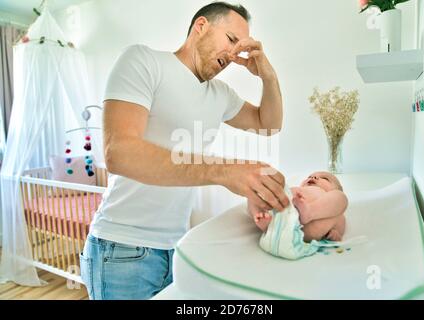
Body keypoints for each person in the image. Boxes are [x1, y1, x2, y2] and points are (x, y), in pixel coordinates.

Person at [80, 2, 289, 300]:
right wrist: (224, 170)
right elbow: (119, 153)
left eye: (239, 47)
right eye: (231, 40)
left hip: (176, 249)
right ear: (201, 26)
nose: (233, 55)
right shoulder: (144, 61)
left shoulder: (221, 95)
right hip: (122, 249)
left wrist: (268, 75)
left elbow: (269, 124)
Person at [248, 171, 347, 242]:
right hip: (282, 218)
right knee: (254, 193)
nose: (313, 178)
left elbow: (340, 220)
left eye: (325, 178)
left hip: (308, 228)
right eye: (310, 176)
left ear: (336, 188)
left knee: (341, 198)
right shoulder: (298, 190)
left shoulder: (330, 198)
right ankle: (264, 219)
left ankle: (309, 212)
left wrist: (336, 233)